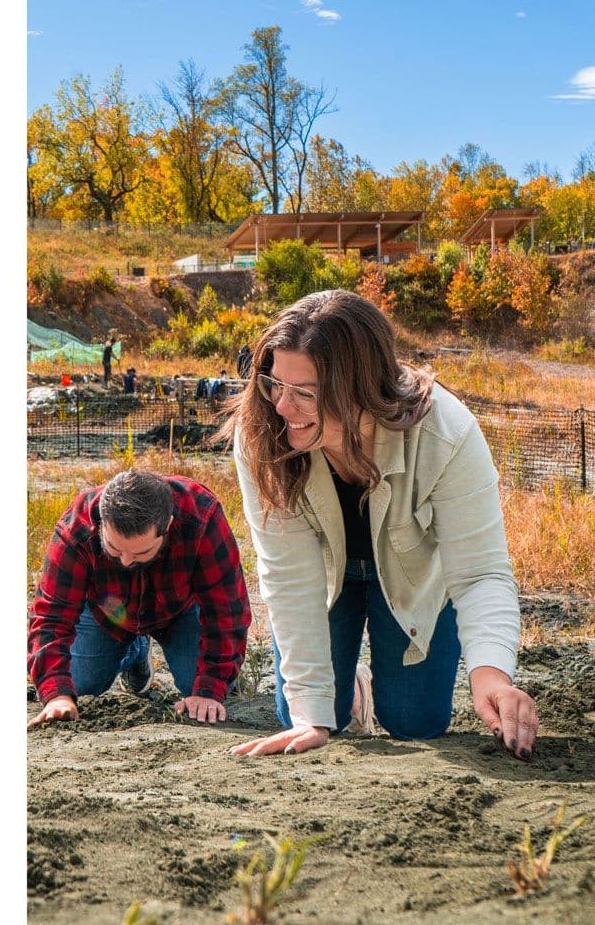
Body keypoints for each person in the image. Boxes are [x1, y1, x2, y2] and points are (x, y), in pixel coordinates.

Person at [220, 290, 538, 760]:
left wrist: (491, 672)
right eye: (275, 384)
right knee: (305, 718)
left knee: (416, 722)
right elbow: (288, 576)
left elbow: (480, 574)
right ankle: (348, 686)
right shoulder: (263, 431)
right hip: (326, 576)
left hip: (414, 582)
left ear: (360, 390)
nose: (282, 407)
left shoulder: (446, 433)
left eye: (304, 392)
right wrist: (312, 708)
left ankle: (364, 684)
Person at [27, 468, 251, 727]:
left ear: (166, 526)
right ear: (102, 520)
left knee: (203, 688)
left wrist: (208, 690)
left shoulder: (201, 516)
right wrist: (57, 696)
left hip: (179, 610)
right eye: (114, 548)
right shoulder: (76, 528)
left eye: (141, 552)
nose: (125, 560)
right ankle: (134, 653)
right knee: (79, 686)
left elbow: (228, 610)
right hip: (108, 610)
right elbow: (50, 616)